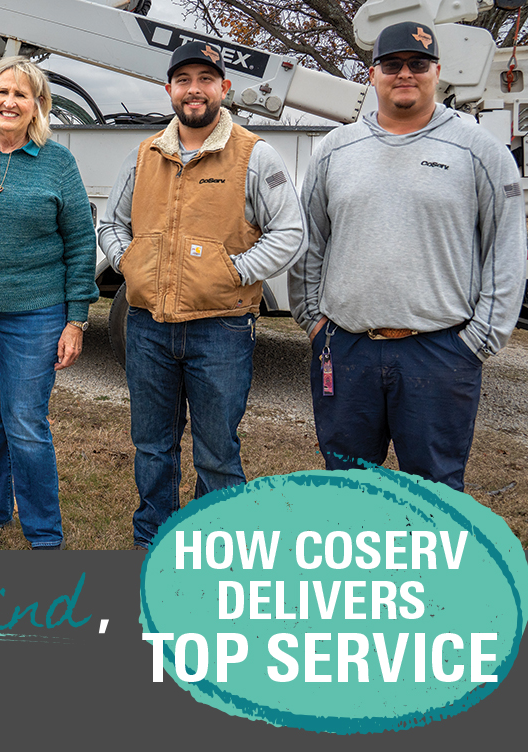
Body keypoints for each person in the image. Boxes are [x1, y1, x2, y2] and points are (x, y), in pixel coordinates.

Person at [288, 21, 526, 491]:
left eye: (418, 64)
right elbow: (309, 242)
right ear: (371, 73)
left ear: (437, 71)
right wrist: (313, 320)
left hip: (440, 353)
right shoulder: (335, 151)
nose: (405, 74)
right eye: (392, 64)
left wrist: (477, 342)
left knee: (434, 490)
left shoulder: (480, 150)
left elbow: (505, 250)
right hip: (348, 349)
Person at [98, 41, 307, 550]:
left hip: (222, 329)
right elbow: (111, 222)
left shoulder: (255, 155)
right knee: (152, 446)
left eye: (206, 79)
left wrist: (234, 271)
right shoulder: (144, 154)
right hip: (147, 327)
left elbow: (289, 231)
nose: (195, 89)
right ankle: (152, 540)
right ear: (169, 89)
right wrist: (130, 263)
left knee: (216, 452)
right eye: (184, 79)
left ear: (223, 88)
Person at [0, 56, 98, 550]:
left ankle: (44, 530)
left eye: (22, 94)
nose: (9, 101)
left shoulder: (58, 162)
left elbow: (79, 243)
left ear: (38, 106)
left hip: (35, 311)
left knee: (26, 422)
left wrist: (76, 320)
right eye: (1, 91)